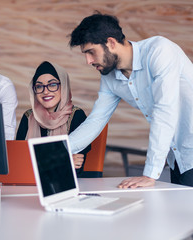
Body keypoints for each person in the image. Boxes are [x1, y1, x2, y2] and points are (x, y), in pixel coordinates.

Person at [68, 12, 193, 188]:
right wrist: (57, 152)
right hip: (178, 157)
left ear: (111, 43)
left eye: (91, 52)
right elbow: (96, 120)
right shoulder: (109, 77)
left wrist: (150, 174)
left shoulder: (159, 51)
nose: (88, 61)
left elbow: (165, 111)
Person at [16, 61, 91, 177]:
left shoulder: (76, 116)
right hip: (30, 184)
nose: (45, 91)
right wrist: (64, 160)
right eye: (39, 86)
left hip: (66, 186)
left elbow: (75, 169)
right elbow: (19, 162)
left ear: (64, 86)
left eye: (52, 85)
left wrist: (37, 161)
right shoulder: (28, 117)